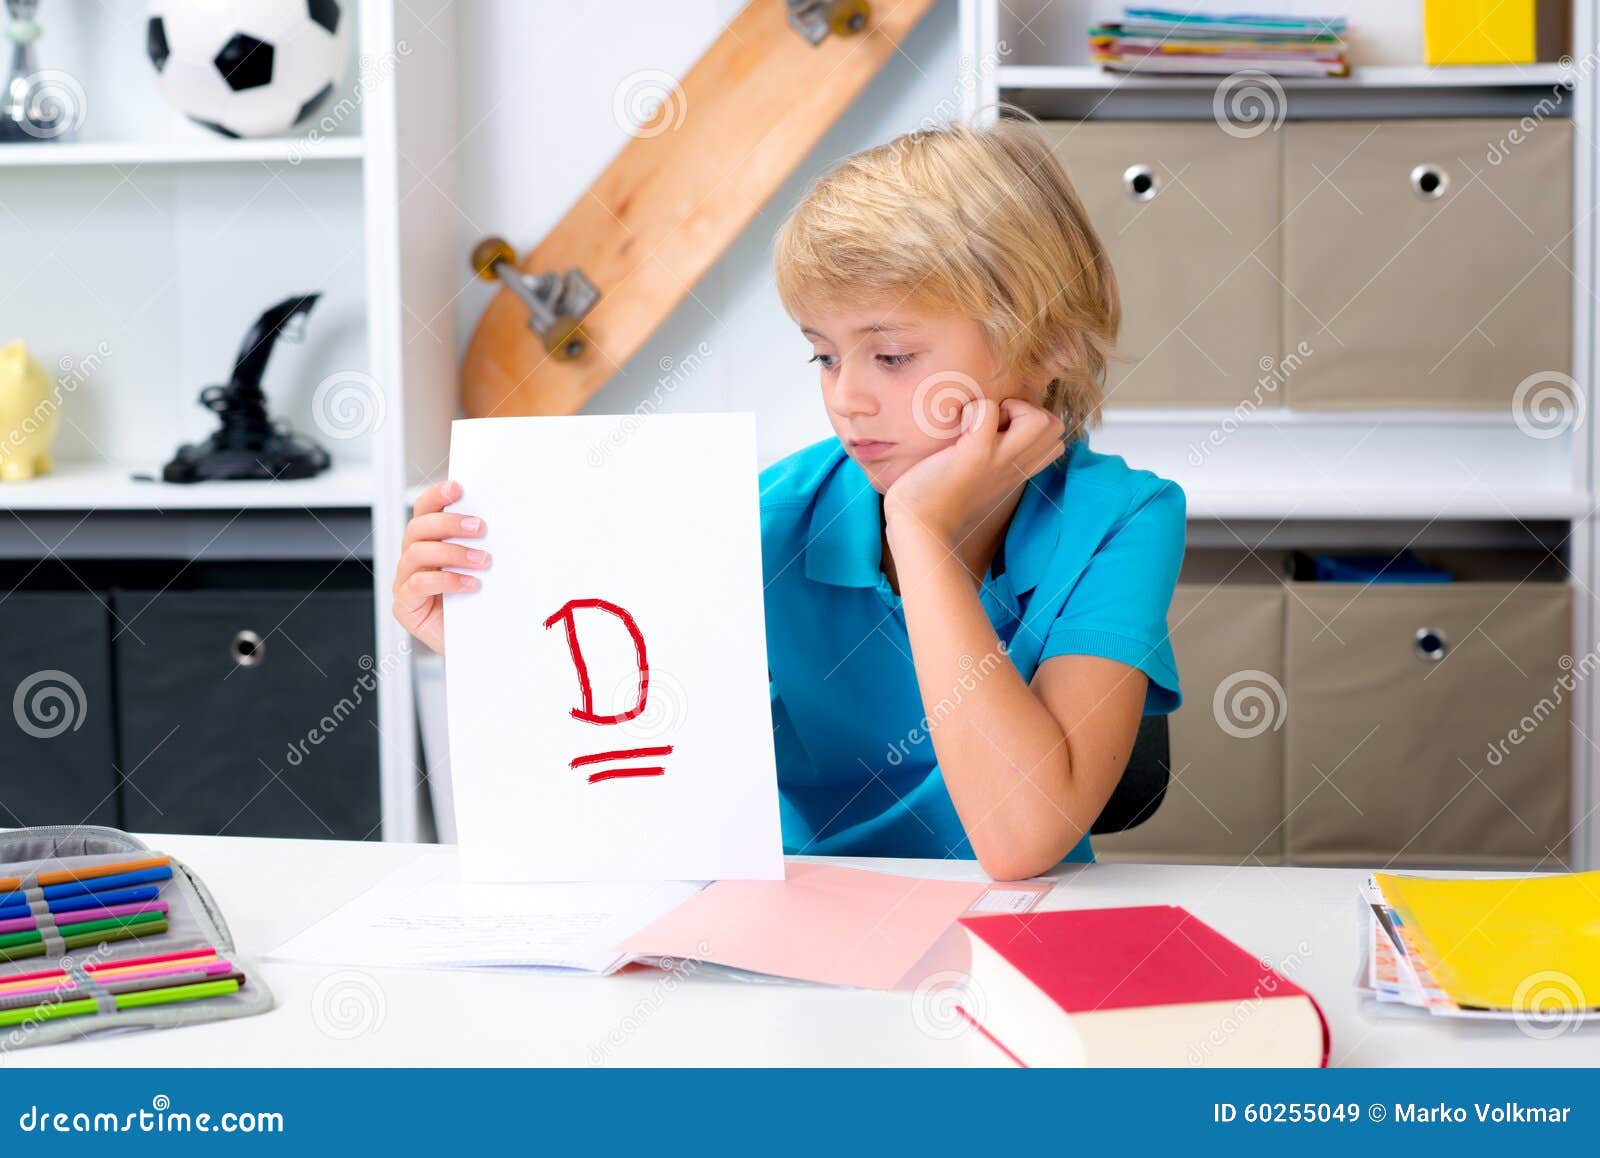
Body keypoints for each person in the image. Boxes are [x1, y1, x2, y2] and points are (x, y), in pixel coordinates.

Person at [394, 112, 1185, 880]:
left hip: (1011, 934)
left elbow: (1021, 841)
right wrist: (484, 648)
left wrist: (920, 532)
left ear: (1049, 346)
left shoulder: (1122, 521)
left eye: (894, 355)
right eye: (824, 357)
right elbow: (623, 778)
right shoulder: (756, 520)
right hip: (786, 928)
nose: (848, 398)